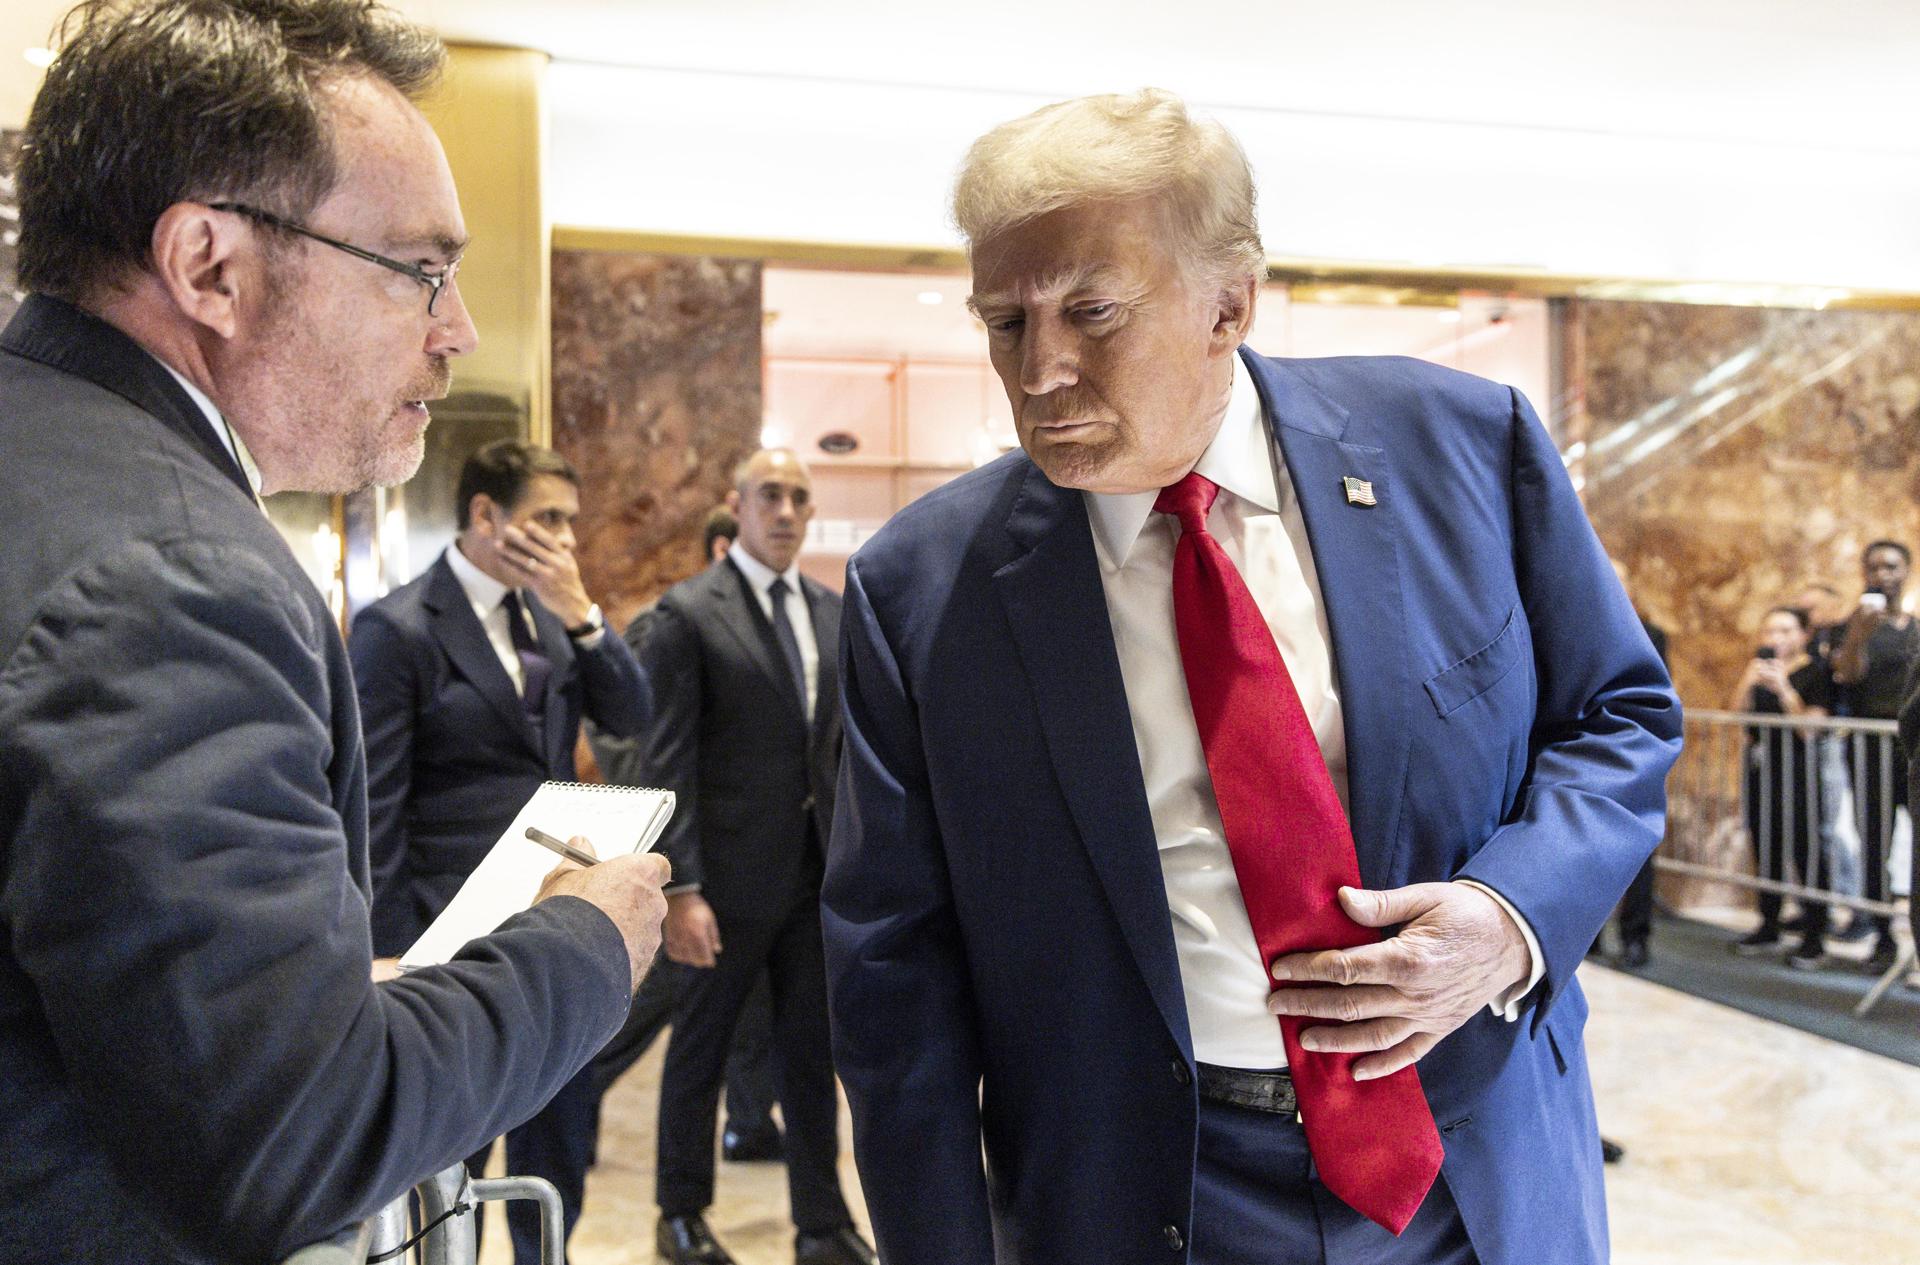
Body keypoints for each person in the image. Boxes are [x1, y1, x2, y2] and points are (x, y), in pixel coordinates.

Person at [822, 90, 1680, 1265]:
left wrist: (1508, 915)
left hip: (1472, 1163)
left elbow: (1619, 717)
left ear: (1228, 301)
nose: (1042, 370)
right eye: (1005, 322)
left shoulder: (1462, 446)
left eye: (1092, 311)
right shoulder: (922, 587)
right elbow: (892, 972)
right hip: (1150, 1192)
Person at [0, 4, 669, 1262]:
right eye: (420, 268)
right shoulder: (174, 573)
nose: (457, 327)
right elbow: (292, 1140)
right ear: (210, 266)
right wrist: (584, 940)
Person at [350, 438, 653, 1263]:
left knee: (558, 1144)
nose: (563, 539)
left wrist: (582, 613)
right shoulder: (397, 627)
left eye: (570, 522)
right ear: (486, 513)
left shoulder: (549, 617)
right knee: (451, 1167)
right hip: (440, 939)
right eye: (547, 518)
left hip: (554, 919)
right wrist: (385, 950)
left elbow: (631, 713)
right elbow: (372, 806)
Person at [642, 450, 874, 1265]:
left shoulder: (832, 610)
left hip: (814, 877)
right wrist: (682, 886)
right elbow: (664, 758)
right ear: (735, 505)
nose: (785, 510)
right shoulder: (688, 613)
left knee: (812, 1056)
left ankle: (821, 1220)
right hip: (724, 885)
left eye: (799, 498)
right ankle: (679, 1213)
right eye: (769, 495)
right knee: (700, 1051)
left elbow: (839, 750)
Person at [584, 499, 784, 1168]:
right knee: (655, 997)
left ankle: (751, 1121)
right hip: (678, 855)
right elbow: (620, 734)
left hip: (741, 855)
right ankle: (571, 1096)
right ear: (727, 549)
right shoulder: (668, 624)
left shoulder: (758, 632)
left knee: (755, 1002)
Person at [1726, 608, 1834, 968]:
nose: (1777, 637)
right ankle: (1768, 922)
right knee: (1765, 844)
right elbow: (1736, 715)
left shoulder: (1816, 671)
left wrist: (1784, 689)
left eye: (1786, 629)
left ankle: (1815, 933)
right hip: (1762, 769)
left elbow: (1810, 728)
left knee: (1806, 850)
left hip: (1800, 770)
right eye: (1770, 629)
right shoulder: (1758, 669)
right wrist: (1749, 678)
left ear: (1803, 634)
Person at [1829, 540, 1920, 970]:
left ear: (1907, 570)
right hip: (1871, 749)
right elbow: (1847, 675)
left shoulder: (1916, 627)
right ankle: (1882, 937)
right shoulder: (1854, 625)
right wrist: (1858, 637)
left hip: (1913, 749)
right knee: (1874, 843)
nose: (1883, 573)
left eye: (1892, 565)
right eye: (1875, 567)